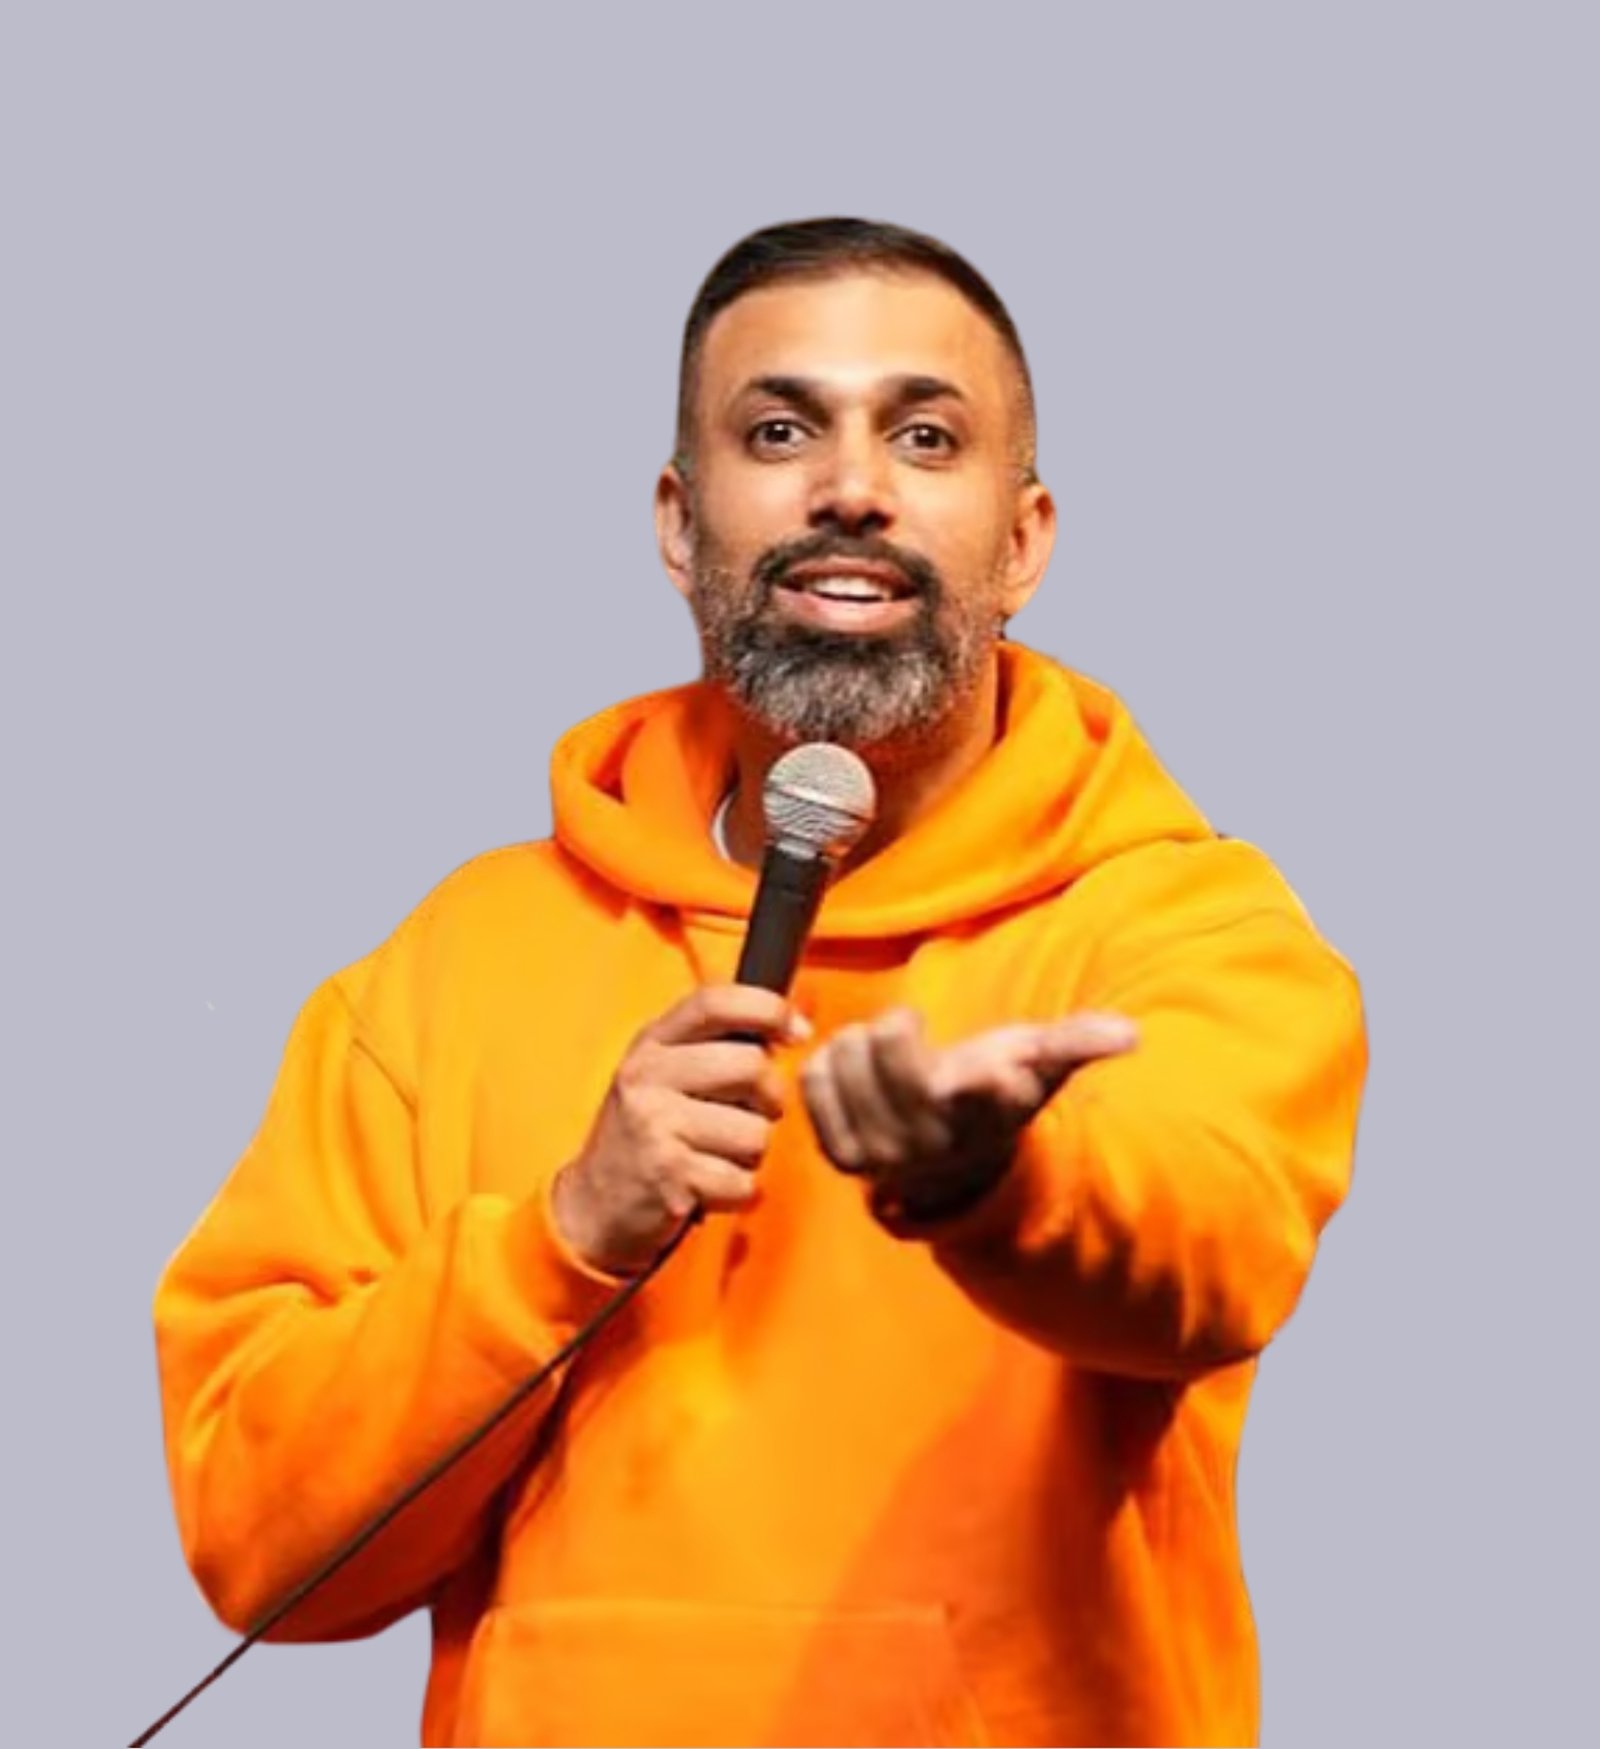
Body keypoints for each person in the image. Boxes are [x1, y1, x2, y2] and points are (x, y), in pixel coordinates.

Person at [152, 217, 1368, 1747]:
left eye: (925, 436)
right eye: (780, 431)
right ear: (680, 522)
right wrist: (561, 1235)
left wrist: (1000, 1182)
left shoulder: (1188, 927)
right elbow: (258, 1535)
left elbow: (1216, 1251)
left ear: (1024, 540)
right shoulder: (449, 965)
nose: (851, 487)